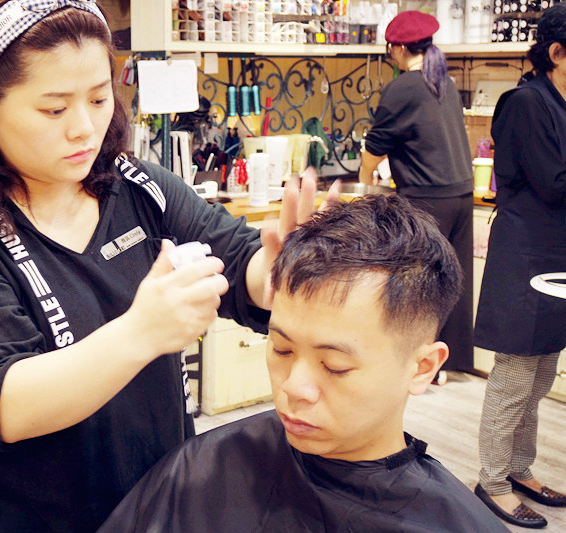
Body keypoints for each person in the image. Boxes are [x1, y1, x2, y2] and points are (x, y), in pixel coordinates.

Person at [0, 0, 336, 531]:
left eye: (99, 98)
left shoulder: (139, 187)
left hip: (150, 505)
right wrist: (142, 331)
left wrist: (282, 271)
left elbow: (241, 265)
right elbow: (2, 400)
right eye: (54, 110)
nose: (85, 128)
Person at [98, 194, 509, 533]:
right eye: (281, 349)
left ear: (422, 368)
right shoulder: (205, 470)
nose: (293, 387)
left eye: (334, 365)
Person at [473, 3, 566, 529]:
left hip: (556, 254)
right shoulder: (526, 103)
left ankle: (519, 469)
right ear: (557, 52)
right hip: (525, 253)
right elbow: (553, 183)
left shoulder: (561, 103)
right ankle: (492, 482)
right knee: (514, 376)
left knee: (542, 373)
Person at [359, 10, 474, 374]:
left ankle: (417, 362)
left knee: (419, 285)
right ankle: (449, 364)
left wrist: (364, 181)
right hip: (461, 194)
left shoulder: (402, 87)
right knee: (453, 282)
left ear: (397, 49)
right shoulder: (445, 82)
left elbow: (376, 145)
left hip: (428, 198)